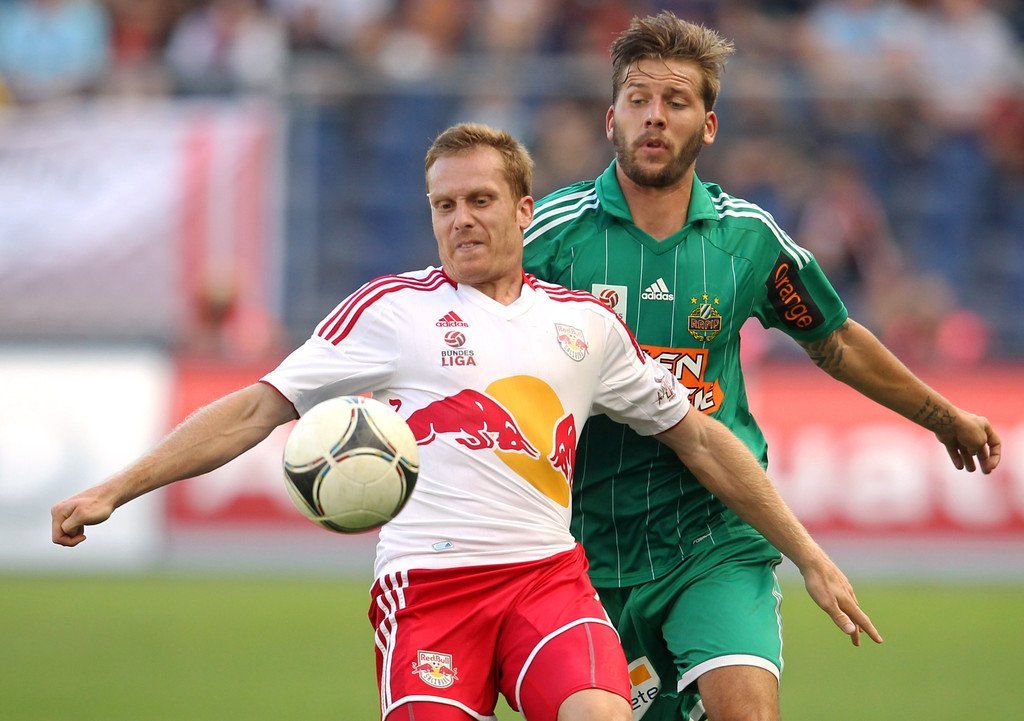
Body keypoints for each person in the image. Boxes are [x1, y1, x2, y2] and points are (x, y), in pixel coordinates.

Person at [52, 123, 879, 721]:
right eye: (443, 204)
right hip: (429, 591)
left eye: (480, 200)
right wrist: (116, 488)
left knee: (602, 713)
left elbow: (698, 437)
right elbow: (255, 408)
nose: (461, 219)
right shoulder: (390, 311)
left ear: (524, 210)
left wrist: (808, 556)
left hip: (547, 579)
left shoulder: (584, 326)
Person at [521, 13, 1001, 721]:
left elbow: (836, 341)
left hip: (714, 537)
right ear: (610, 117)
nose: (655, 116)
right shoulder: (549, 238)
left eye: (677, 101)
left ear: (709, 126)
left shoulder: (746, 240)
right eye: (639, 99)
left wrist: (941, 415)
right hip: (584, 545)